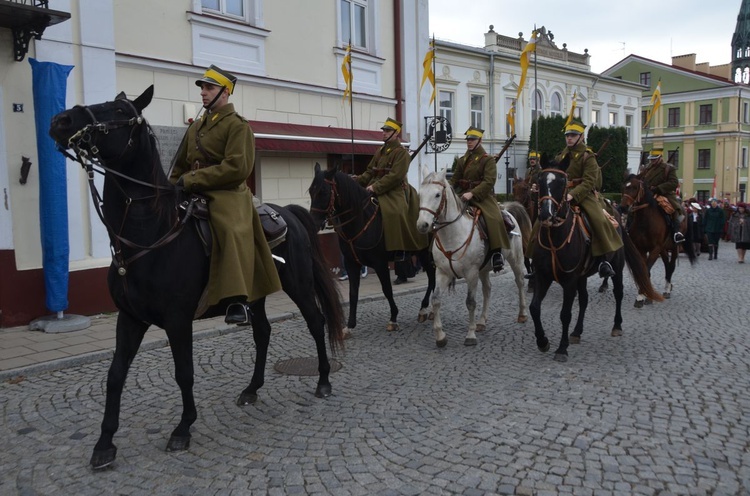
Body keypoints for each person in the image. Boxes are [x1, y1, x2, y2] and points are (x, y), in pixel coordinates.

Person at [170, 64, 282, 325]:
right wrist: (171, 187)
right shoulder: (196, 127)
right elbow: (180, 166)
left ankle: (238, 300)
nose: (203, 93)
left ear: (225, 92)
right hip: (192, 189)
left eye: (209, 88)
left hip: (227, 193)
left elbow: (237, 168)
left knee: (230, 230)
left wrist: (193, 179)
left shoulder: (238, 126)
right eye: (202, 88)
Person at [528, 117, 622, 278]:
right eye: (567, 135)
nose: (569, 138)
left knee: (598, 219)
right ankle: (535, 261)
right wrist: (539, 185)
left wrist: (572, 194)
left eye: (573, 135)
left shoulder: (588, 156)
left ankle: (603, 260)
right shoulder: (560, 156)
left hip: (583, 196)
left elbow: (589, 181)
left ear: (581, 136)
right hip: (561, 196)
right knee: (540, 221)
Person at [356, 117, 428, 269]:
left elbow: (395, 176)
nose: (384, 133)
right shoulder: (380, 151)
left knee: (395, 212)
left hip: (395, 190)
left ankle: (400, 249)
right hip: (375, 187)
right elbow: (369, 172)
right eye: (383, 130)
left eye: (387, 131)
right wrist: (355, 181)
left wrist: (375, 187)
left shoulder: (401, 153)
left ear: (396, 133)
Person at [450, 126, 510, 271]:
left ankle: (496, 253)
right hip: (462, 195)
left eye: (472, 139)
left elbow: (489, 182)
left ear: (480, 140)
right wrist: (446, 190)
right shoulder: (462, 160)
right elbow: (455, 179)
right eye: (468, 139)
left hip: (482, 197)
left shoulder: (487, 159)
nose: (469, 142)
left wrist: (473, 193)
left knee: (494, 218)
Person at [639, 147, 685, 243]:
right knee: (635, 206)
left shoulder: (669, 168)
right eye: (651, 159)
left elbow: (674, 183)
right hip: (648, 194)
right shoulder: (647, 168)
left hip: (664, 193)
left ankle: (677, 233)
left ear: (660, 158)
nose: (652, 161)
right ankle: (629, 228)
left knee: (671, 209)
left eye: (654, 159)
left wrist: (658, 188)